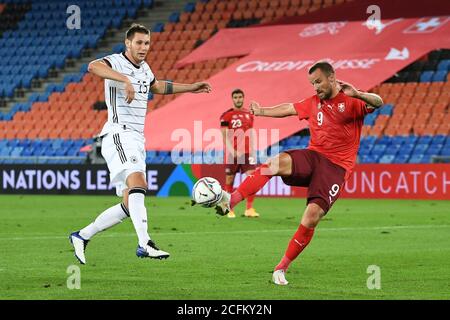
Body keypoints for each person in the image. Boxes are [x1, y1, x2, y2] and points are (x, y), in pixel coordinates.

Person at [213, 61, 383, 285]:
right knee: (274, 163)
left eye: (319, 82)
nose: (316, 87)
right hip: (314, 156)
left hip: (336, 168)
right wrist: (262, 111)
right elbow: (289, 108)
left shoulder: (351, 101)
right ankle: (231, 200)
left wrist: (358, 93)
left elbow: (378, 103)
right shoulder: (314, 102)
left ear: (332, 78)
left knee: (311, 217)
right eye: (313, 83)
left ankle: (281, 267)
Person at [69, 24, 211, 264]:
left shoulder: (144, 69)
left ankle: (82, 235)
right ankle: (144, 243)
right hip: (119, 133)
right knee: (139, 183)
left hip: (136, 138)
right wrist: (123, 79)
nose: (143, 47)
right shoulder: (116, 61)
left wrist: (191, 88)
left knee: (129, 202)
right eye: (138, 43)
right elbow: (93, 66)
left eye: (147, 43)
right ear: (128, 43)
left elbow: (157, 86)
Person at [220, 89, 259, 218]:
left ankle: (249, 208)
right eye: (236, 97)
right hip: (233, 153)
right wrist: (232, 151)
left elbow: (251, 133)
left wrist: (253, 150)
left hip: (247, 153)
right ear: (232, 99)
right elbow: (224, 135)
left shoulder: (249, 114)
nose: (238, 99)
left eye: (240, 97)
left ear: (243, 98)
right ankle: (229, 208)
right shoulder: (226, 115)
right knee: (230, 180)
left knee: (252, 178)